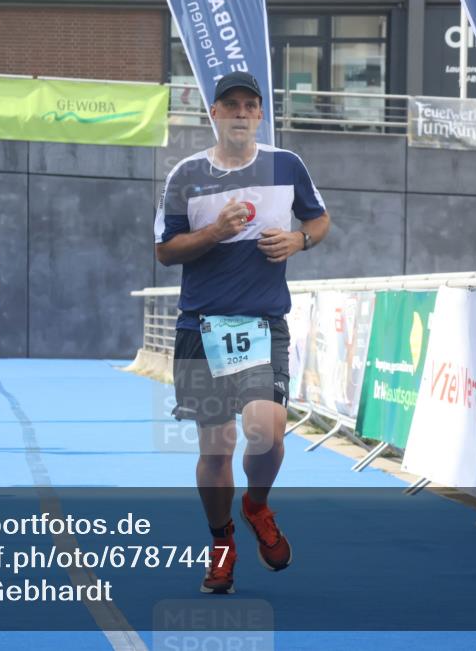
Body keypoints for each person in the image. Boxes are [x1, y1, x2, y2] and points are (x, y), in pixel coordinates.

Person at [154, 71, 331, 594]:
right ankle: (222, 541)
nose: (240, 113)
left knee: (267, 430)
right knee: (216, 450)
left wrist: (300, 241)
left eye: (249, 105)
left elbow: (319, 220)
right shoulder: (186, 175)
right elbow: (165, 251)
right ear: (213, 113)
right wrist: (215, 232)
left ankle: (256, 505)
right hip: (200, 327)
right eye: (229, 104)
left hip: (262, 323)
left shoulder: (286, 165)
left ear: (260, 114)